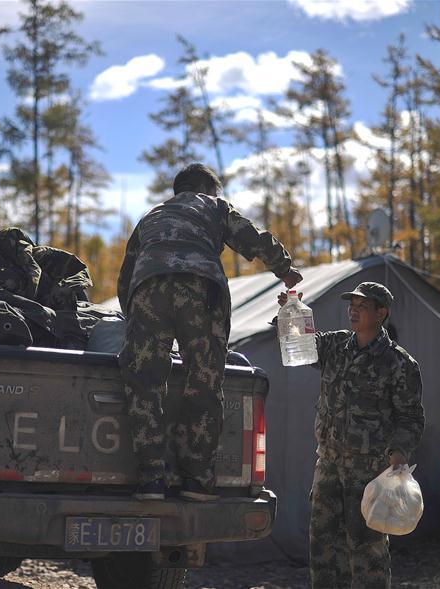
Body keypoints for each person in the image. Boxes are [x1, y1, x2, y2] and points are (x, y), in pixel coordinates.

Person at [117, 163, 303, 501]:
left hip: (149, 289)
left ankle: (151, 480)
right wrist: (284, 267)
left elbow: (126, 273)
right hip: (200, 289)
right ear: (206, 188)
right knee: (203, 380)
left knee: (144, 382)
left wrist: (132, 317)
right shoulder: (211, 204)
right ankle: (198, 481)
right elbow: (250, 235)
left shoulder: (151, 217)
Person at [279, 281, 424, 589]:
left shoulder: (398, 363)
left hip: (368, 473)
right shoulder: (336, 346)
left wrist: (398, 453)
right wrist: (289, 312)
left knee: (366, 548)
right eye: (351, 306)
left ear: (381, 313)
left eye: (362, 307)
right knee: (323, 547)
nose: (353, 311)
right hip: (328, 466)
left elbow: (410, 417)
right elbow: (302, 348)